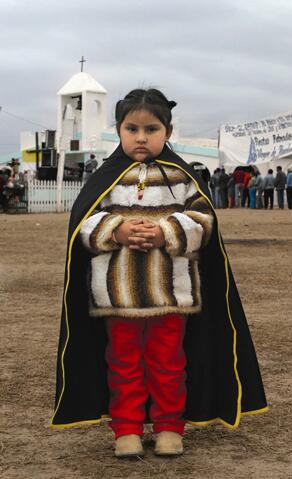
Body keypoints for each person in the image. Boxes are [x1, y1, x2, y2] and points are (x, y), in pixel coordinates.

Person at [51, 88, 268, 458]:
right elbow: (83, 225)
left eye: (151, 129)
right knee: (122, 366)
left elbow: (203, 221)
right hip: (117, 298)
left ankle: (169, 426)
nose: (140, 137)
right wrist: (115, 230)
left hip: (173, 297)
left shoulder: (181, 177)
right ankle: (127, 429)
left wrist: (166, 231)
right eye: (131, 128)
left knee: (169, 364)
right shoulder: (107, 178)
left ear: (167, 132)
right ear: (118, 130)